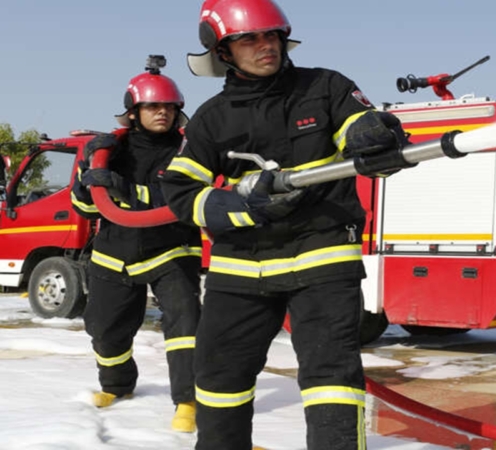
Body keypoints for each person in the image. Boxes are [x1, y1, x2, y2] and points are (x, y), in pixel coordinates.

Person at [160, 0, 411, 448]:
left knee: (331, 379)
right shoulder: (212, 118)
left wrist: (374, 136)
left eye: (272, 35)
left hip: (322, 256)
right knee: (218, 376)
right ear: (222, 51)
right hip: (241, 267)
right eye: (249, 39)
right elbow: (181, 191)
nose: (266, 46)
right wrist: (242, 207)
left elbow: (364, 131)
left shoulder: (326, 87)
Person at [70, 60, 202, 433]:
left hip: (172, 248)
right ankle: (117, 386)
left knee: (185, 324)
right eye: (153, 106)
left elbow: (180, 200)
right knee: (103, 327)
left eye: (169, 107)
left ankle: (188, 401)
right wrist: (87, 176)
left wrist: (124, 190)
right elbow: (85, 208)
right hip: (115, 252)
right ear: (133, 111)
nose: (163, 112)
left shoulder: (189, 150)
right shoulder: (110, 150)